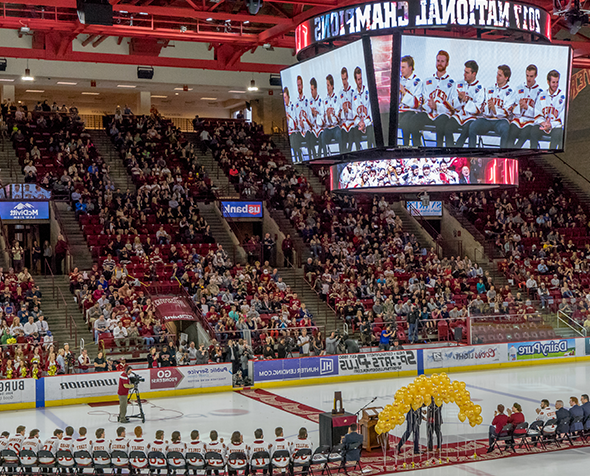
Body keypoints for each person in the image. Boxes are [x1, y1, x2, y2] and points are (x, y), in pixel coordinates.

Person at [468, 65, 515, 148]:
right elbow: (483, 107)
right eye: (497, 74)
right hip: (487, 119)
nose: (497, 77)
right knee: (473, 126)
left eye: (500, 75)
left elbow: (507, 112)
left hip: (500, 120)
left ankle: (502, 155)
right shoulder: (489, 89)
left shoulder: (511, 92)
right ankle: (472, 152)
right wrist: (489, 108)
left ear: (506, 78)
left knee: (505, 129)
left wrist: (495, 109)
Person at [444, 60, 485, 147]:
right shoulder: (459, 84)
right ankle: (450, 150)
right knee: (447, 127)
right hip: (459, 115)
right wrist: (459, 98)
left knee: (467, 130)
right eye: (464, 72)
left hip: (471, 117)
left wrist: (466, 101)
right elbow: (453, 105)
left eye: (467, 72)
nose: (464, 74)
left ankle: (457, 148)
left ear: (474, 74)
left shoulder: (479, 88)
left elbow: (478, 109)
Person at [530, 70, 566, 149]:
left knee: (558, 133)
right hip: (544, 126)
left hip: (555, 127)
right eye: (553, 82)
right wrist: (543, 123)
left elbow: (563, 117)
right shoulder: (542, 95)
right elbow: (537, 113)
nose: (555, 85)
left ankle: (551, 155)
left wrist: (551, 125)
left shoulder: (563, 96)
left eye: (557, 82)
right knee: (533, 131)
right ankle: (533, 153)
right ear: (548, 82)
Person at [508, 64, 542, 148]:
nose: (528, 79)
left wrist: (527, 107)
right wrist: (519, 107)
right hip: (518, 119)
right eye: (527, 76)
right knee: (511, 133)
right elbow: (512, 107)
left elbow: (539, 113)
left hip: (530, 121)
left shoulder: (540, 92)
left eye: (531, 76)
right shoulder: (519, 88)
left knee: (524, 134)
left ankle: (515, 153)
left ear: (536, 76)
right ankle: (508, 152)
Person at [398, 55, 424, 146]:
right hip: (400, 111)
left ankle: (407, 146)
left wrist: (403, 92)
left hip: (412, 112)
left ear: (410, 68)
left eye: (403, 67)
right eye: (400, 67)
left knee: (406, 120)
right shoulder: (399, 80)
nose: (401, 70)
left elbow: (416, 104)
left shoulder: (417, 82)